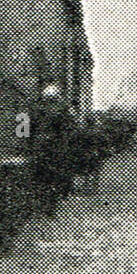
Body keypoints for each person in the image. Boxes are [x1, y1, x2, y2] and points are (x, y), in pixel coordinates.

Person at [30, 81, 77, 217]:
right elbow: (69, 130)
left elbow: (24, 129)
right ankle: (50, 207)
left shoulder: (35, 109)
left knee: (40, 177)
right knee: (54, 177)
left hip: (39, 147)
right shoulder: (62, 109)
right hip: (55, 147)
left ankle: (40, 206)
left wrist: (28, 144)